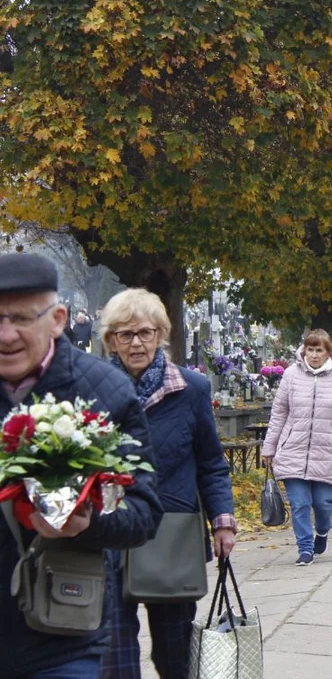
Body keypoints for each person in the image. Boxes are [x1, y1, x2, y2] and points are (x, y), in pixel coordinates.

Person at [0, 253, 163, 679]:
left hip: (63, 630)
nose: (5, 335)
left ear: (57, 319)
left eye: (20, 318)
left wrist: (87, 522)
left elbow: (143, 512)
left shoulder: (105, 392)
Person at [98, 289, 236, 679]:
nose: (136, 342)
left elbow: (211, 463)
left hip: (171, 531)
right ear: (111, 340)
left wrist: (222, 522)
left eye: (145, 332)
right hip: (108, 533)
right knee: (114, 658)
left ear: (161, 335)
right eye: (125, 335)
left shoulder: (190, 389)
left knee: (175, 657)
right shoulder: (94, 390)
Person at [261, 330, 332, 566]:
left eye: (320, 350)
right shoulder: (291, 376)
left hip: (326, 453)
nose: (314, 355)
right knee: (300, 503)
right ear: (304, 350)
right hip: (292, 451)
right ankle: (305, 548)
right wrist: (269, 447)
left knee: (324, 504)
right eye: (311, 349)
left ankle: (323, 532)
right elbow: (279, 414)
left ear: (329, 352)